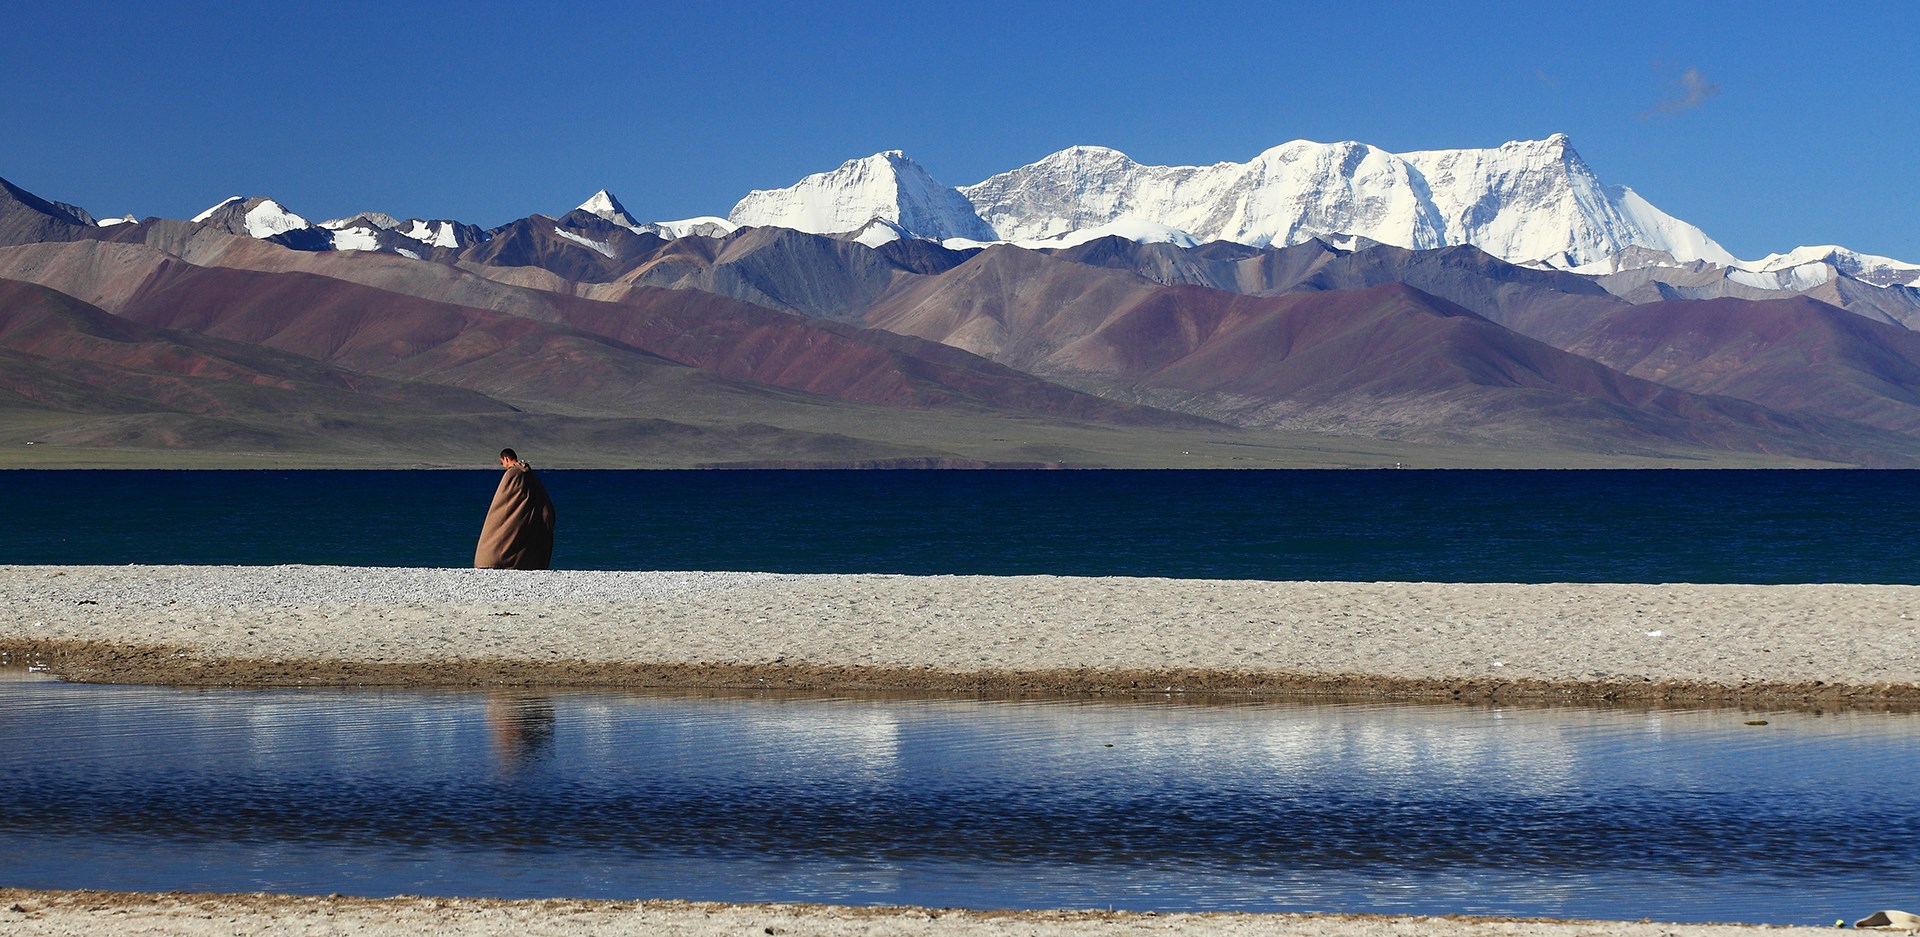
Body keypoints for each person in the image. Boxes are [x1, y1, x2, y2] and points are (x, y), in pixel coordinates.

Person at [474, 448, 557, 569]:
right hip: (530, 517)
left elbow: (502, 501)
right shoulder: (529, 474)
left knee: (500, 533)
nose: (503, 466)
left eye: (502, 463)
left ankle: (491, 560)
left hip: (517, 517)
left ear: (506, 459)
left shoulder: (512, 474)